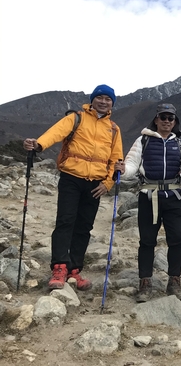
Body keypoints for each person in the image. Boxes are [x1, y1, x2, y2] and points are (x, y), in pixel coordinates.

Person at [23, 84, 124, 290]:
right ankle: (59, 267)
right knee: (65, 222)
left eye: (108, 99)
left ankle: (74, 270)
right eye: (100, 98)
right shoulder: (76, 118)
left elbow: (116, 159)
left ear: (112, 103)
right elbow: (55, 133)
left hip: (95, 184)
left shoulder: (113, 129)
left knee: (84, 227)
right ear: (92, 99)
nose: (103, 102)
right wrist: (38, 144)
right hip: (71, 177)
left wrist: (107, 184)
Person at [120, 104, 181, 302]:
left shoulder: (180, 144)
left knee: (176, 240)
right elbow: (132, 164)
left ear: (175, 122)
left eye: (171, 118)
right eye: (163, 117)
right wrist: (123, 170)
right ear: (156, 119)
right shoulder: (143, 140)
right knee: (146, 241)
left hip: (174, 196)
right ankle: (145, 283)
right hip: (149, 196)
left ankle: (174, 282)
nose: (166, 121)